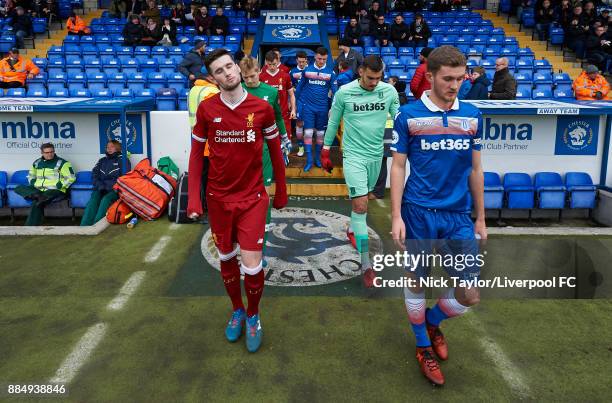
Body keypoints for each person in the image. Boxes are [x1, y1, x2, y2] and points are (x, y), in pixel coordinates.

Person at [390, 45, 486, 386]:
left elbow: (476, 169)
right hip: (418, 213)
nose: (455, 85)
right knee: (417, 280)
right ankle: (422, 346)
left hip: (459, 215)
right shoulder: (409, 115)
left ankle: (432, 322)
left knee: (470, 294)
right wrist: (396, 216)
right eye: (448, 78)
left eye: (460, 78)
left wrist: (481, 217)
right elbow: (399, 166)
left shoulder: (473, 115)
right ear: (430, 76)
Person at [187, 48, 288, 353]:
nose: (227, 73)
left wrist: (281, 189)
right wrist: (194, 198)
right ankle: (237, 310)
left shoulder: (263, 107)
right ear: (214, 78)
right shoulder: (207, 110)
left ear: (238, 68)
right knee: (227, 259)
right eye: (219, 70)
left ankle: (254, 315)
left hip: (252, 197)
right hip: (218, 198)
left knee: (252, 265)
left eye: (229, 66)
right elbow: (195, 156)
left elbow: (275, 152)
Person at [321, 55, 400, 287]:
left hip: (376, 156)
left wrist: (397, 141)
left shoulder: (389, 92)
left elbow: (397, 118)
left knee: (365, 202)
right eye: (370, 78)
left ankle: (351, 228)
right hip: (353, 155)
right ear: (361, 72)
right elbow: (333, 121)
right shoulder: (344, 92)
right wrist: (326, 150)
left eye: (378, 78)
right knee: (360, 205)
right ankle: (367, 266)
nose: (374, 82)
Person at [239, 56, 291, 267]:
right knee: (242, 201)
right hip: (241, 154)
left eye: (252, 76)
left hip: (265, 152)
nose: (250, 80)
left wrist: (285, 137)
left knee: (264, 200)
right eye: (246, 77)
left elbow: (278, 116)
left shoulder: (270, 92)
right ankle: (242, 245)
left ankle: (261, 250)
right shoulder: (236, 90)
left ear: (259, 71)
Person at [295, 47, 337, 172]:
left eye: (324, 59)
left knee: (320, 134)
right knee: (307, 133)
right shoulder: (307, 71)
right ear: (315, 57)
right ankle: (309, 161)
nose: (321, 61)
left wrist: (334, 108)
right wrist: (296, 105)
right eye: (319, 58)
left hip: (323, 109)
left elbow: (336, 93)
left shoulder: (331, 73)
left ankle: (318, 159)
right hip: (308, 107)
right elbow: (299, 89)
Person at [15, 143, 76, 226]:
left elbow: (71, 178)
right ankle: (37, 196)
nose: (50, 154)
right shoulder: (37, 163)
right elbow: (31, 175)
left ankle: (29, 227)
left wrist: (59, 185)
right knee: (18, 187)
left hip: (54, 190)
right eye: (47, 152)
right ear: (42, 153)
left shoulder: (63, 163)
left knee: (37, 203)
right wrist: (33, 183)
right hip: (39, 189)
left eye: (52, 152)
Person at [188, 66, 220, 220]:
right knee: (210, 179)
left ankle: (200, 208)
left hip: (196, 141)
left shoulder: (194, 90)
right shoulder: (211, 92)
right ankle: (207, 209)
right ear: (210, 77)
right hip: (210, 144)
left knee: (200, 178)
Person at [81, 140, 130, 226]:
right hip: (101, 188)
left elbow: (124, 178)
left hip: (115, 190)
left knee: (105, 200)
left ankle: (97, 225)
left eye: (112, 147)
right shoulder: (102, 160)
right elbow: (94, 175)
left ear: (117, 148)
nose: (109, 149)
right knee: (93, 199)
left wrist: (109, 187)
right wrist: (100, 185)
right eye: (108, 147)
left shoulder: (123, 160)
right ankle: (85, 225)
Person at [260, 50, 296, 141]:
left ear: (278, 61)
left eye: (274, 64)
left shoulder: (285, 76)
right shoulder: (261, 77)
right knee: (270, 143)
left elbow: (291, 94)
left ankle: (285, 155)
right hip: (267, 116)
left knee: (285, 142)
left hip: (283, 114)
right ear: (265, 62)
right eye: (269, 64)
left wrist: (293, 109)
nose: (272, 67)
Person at [289, 51, 309, 156]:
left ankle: (309, 147)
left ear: (306, 60)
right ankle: (301, 147)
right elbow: (289, 87)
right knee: (299, 124)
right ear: (296, 60)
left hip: (311, 102)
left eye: (303, 61)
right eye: (299, 61)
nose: (301, 63)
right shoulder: (292, 72)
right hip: (299, 101)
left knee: (311, 126)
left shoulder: (311, 71)